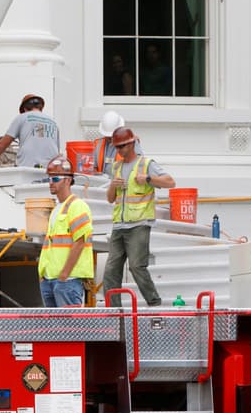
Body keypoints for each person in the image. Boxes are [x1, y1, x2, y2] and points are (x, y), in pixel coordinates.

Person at [102, 125, 174, 306]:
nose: (118, 151)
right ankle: (113, 310)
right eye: (116, 147)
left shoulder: (146, 164)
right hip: (119, 225)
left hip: (139, 224)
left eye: (121, 147)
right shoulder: (116, 167)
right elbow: (110, 199)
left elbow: (170, 182)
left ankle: (154, 302)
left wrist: (148, 179)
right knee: (111, 270)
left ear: (131, 144)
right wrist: (113, 186)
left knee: (136, 266)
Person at [38, 156, 94, 308]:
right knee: (55, 331)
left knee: (71, 329)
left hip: (67, 280)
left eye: (55, 178)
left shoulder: (77, 206)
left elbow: (79, 243)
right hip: (50, 279)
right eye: (49, 179)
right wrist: (43, 275)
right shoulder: (58, 208)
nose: (51, 182)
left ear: (68, 180)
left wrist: (64, 275)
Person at [0, 94, 60, 168]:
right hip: (51, 169)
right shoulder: (53, 122)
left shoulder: (22, 117)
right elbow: (54, 148)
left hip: (28, 167)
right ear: (41, 108)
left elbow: (3, 144)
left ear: (24, 109)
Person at [92, 110, 141, 175]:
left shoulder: (131, 143)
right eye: (108, 136)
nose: (110, 138)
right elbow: (93, 167)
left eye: (112, 135)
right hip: (103, 183)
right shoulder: (98, 143)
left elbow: (139, 166)